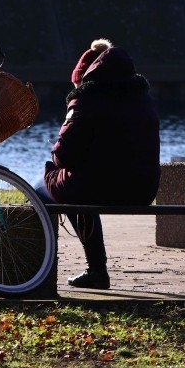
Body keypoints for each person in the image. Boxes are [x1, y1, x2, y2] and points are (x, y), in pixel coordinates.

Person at [35, 38, 160, 289]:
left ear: (84, 77)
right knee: (81, 183)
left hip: (100, 187)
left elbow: (63, 156)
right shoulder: (142, 97)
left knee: (43, 186)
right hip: (142, 190)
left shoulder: (86, 98)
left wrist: (57, 147)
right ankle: (95, 270)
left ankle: (87, 269)